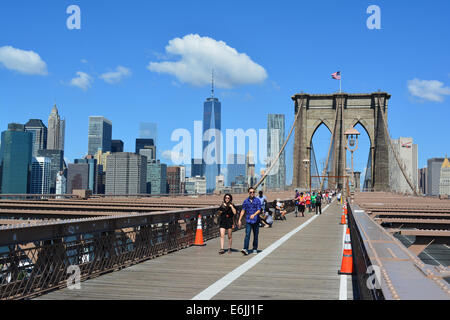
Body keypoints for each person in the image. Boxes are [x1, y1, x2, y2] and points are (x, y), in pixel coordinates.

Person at [238, 187, 262, 255]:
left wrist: (254, 215)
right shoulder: (245, 201)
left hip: (256, 220)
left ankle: (255, 248)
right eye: (250, 192)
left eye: (253, 192)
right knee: (247, 234)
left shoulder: (257, 200)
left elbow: (259, 210)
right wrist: (239, 219)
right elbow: (243, 210)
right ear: (248, 193)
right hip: (248, 220)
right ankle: (245, 249)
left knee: (255, 235)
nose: (252, 193)